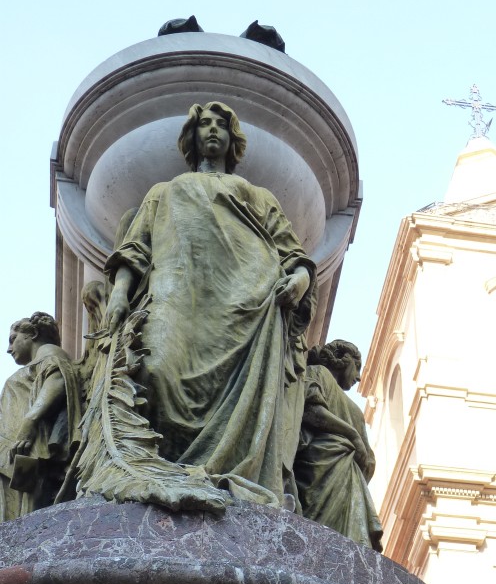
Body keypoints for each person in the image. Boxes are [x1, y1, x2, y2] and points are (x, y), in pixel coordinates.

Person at [102, 100, 316, 508]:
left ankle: (225, 475)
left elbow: (291, 251)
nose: (212, 131)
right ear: (193, 137)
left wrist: (301, 279)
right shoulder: (163, 192)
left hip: (248, 302)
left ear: (232, 139)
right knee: (155, 367)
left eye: (221, 125)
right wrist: (118, 292)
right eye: (205, 125)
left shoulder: (256, 194)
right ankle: (164, 467)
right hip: (177, 291)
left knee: (236, 394)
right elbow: (136, 247)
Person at [294, 340, 383, 549]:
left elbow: (367, 461)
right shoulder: (317, 373)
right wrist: (351, 435)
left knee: (349, 539)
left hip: (349, 480)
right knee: (314, 527)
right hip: (319, 466)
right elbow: (310, 411)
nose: (359, 377)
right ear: (343, 359)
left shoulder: (356, 412)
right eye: (357, 366)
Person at [0, 313, 79, 521]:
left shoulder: (50, 355)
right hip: (16, 453)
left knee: (27, 514)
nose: (9, 349)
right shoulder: (40, 361)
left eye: (13, 339)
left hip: (29, 451)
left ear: (33, 333)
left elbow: (58, 379)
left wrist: (30, 422)